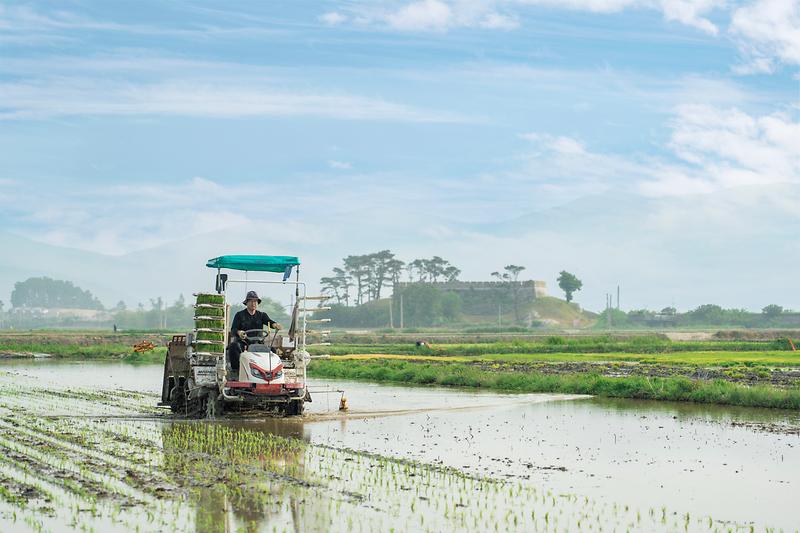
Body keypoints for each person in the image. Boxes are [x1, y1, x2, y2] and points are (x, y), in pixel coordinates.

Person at [226, 290, 282, 379]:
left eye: (255, 301)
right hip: (244, 342)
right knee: (233, 346)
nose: (253, 303)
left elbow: (270, 322)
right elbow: (233, 329)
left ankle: (271, 374)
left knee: (273, 351)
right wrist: (239, 332)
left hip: (258, 343)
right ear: (246, 302)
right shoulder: (239, 315)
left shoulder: (262, 315)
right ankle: (236, 371)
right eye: (251, 301)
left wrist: (275, 325)